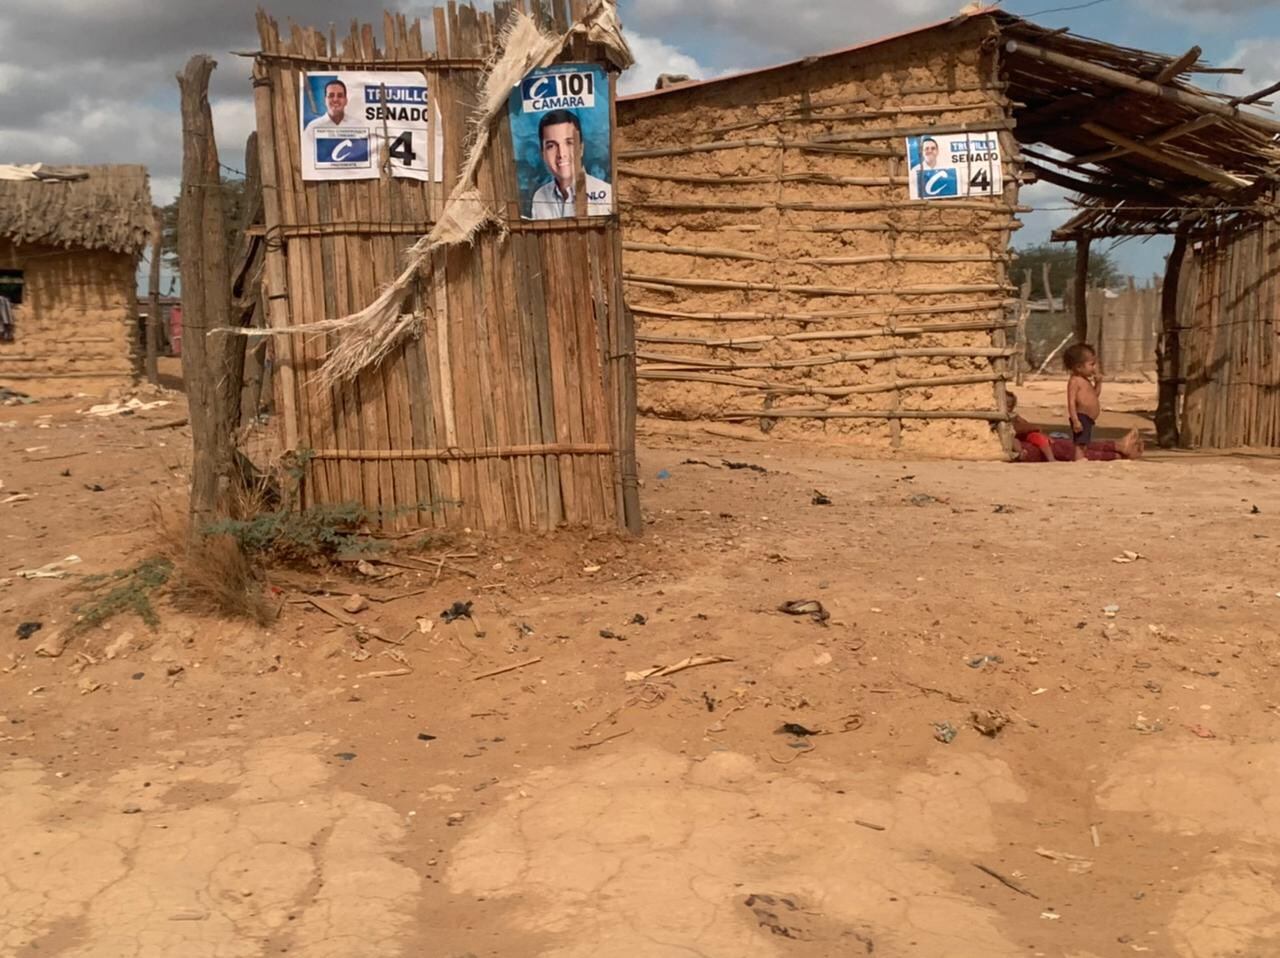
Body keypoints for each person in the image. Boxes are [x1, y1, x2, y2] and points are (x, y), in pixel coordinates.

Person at [530, 109, 612, 219]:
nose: (561, 154)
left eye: (569, 143)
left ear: (581, 148)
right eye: (551, 146)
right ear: (543, 154)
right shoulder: (539, 197)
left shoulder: (606, 193)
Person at [1065, 342, 1102, 461]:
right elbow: (1071, 402)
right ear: (1078, 367)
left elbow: (1094, 396)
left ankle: (1081, 458)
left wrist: (1098, 383)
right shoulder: (1075, 381)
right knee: (1080, 443)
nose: (1094, 368)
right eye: (1091, 364)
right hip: (1081, 417)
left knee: (1084, 442)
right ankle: (1078, 460)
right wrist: (1075, 420)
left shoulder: (1086, 380)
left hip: (1088, 419)